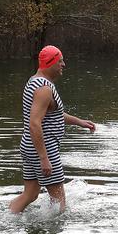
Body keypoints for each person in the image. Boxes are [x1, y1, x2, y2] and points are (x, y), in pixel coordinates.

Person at [9, 45, 95, 214]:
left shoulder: (35, 81)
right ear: (51, 62)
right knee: (59, 204)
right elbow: (35, 123)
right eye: (60, 61)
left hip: (29, 145)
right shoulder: (44, 89)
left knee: (30, 194)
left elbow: (53, 115)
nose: (63, 64)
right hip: (43, 148)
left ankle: (8, 218)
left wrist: (79, 122)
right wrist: (44, 158)